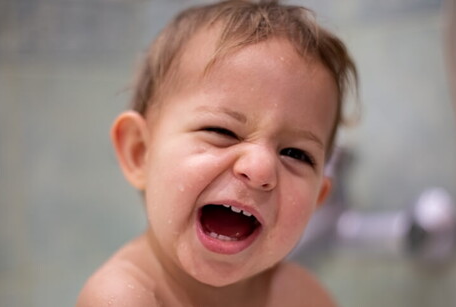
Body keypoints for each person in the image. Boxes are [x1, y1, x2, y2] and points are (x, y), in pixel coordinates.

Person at [77, 0, 357, 306]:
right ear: (140, 152)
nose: (260, 168)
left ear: (318, 197)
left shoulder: (302, 296)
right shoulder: (122, 297)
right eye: (222, 132)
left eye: (295, 153)